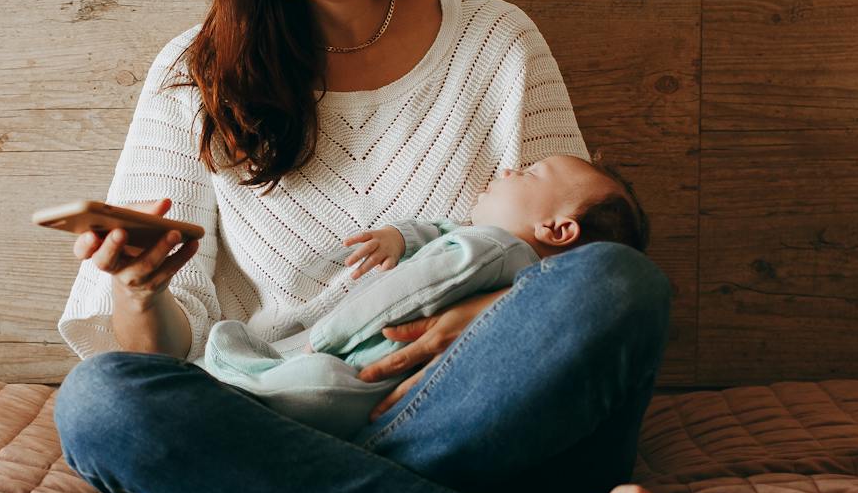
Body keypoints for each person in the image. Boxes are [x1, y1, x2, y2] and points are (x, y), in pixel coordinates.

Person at [52, 0, 676, 493]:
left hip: (473, 410)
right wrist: (141, 285)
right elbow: (158, 360)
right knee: (99, 401)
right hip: (285, 403)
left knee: (626, 282)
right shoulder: (194, 74)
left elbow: (580, 257)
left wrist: (477, 319)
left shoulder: (497, 43)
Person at [200, 154, 650, 438]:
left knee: (303, 382)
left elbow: (405, 291)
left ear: (556, 228)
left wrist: (327, 335)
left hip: (348, 369)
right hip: (384, 404)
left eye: (531, 173)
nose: (509, 168)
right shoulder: (512, 267)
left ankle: (232, 371)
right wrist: (401, 237)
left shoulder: (496, 248)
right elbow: (444, 234)